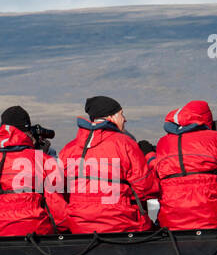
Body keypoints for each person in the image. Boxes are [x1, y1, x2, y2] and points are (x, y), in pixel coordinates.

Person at [150, 100, 217, 230]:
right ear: (207, 119)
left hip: (170, 222)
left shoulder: (163, 143)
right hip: (212, 221)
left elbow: (150, 185)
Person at [58, 95, 158, 233]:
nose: (125, 119)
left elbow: (58, 190)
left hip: (79, 226)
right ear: (110, 117)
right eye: (121, 114)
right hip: (122, 224)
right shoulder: (125, 143)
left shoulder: (68, 149)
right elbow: (146, 188)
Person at [0, 106, 68, 236]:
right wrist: (63, 230)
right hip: (35, 230)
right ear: (28, 131)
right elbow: (56, 204)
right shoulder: (42, 160)